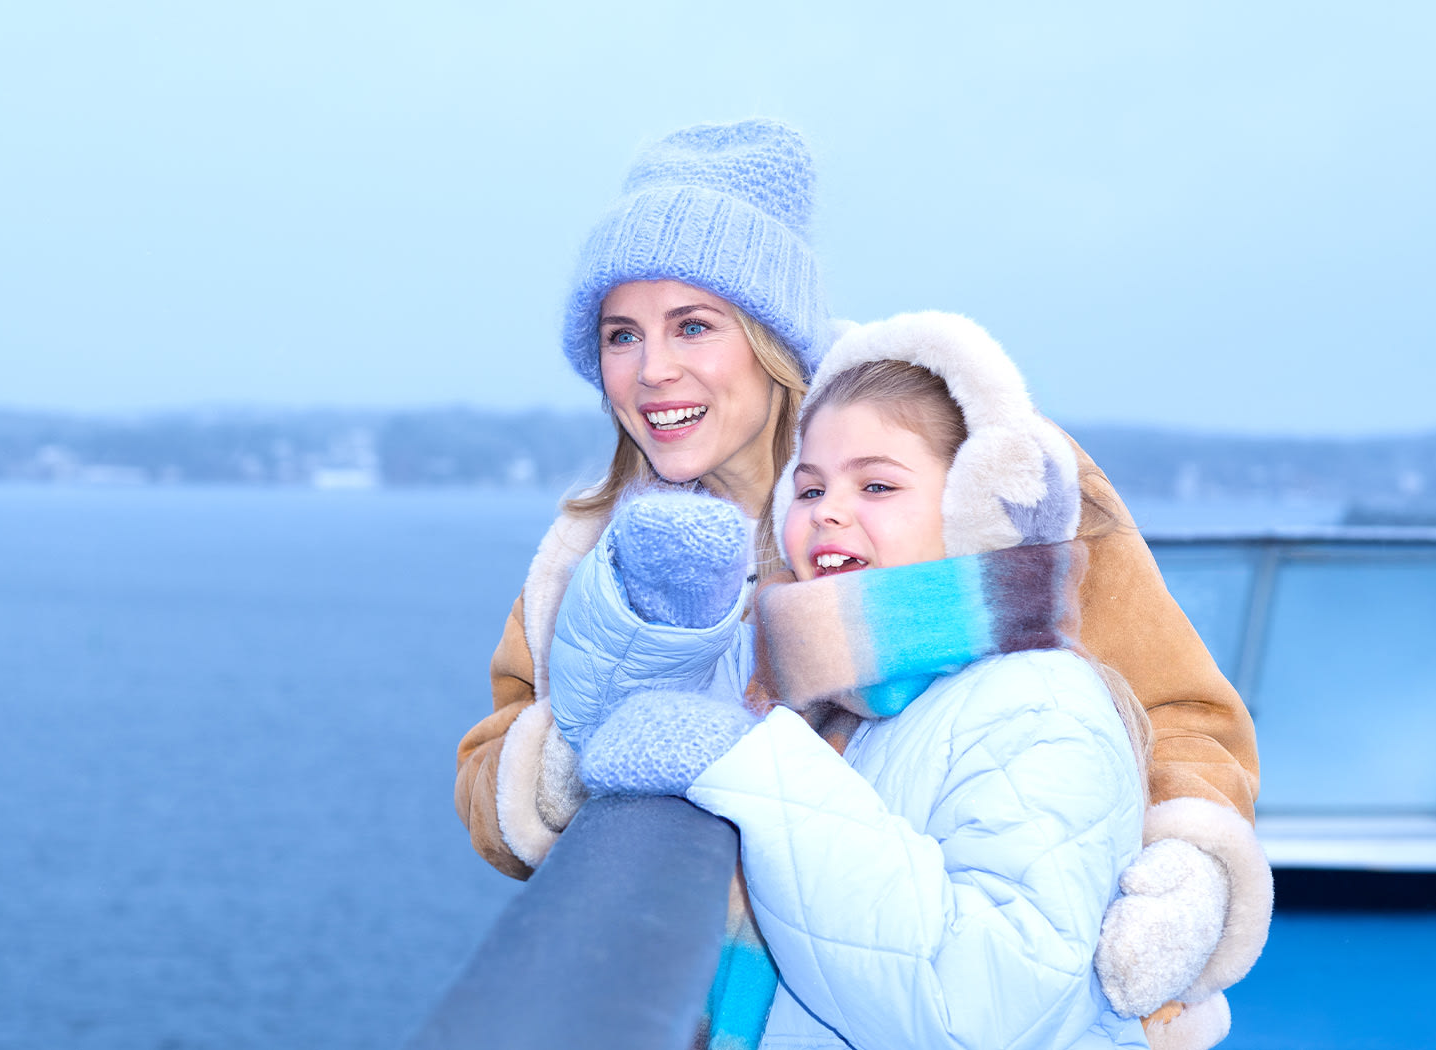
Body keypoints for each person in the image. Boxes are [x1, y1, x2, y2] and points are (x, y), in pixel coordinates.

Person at [452, 119, 1267, 1049]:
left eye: (694, 326)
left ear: (768, 336)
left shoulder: (966, 463)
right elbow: (490, 764)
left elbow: (1179, 703)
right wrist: (598, 755)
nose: (653, 370)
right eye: (619, 335)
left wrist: (1187, 876)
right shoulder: (596, 547)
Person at [575, 313, 1146, 1048]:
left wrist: (753, 767)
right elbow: (613, 729)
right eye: (809, 490)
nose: (830, 511)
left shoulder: (1041, 706)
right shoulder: (817, 684)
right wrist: (659, 613)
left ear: (973, 510)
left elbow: (976, 1012)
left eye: (876, 485)